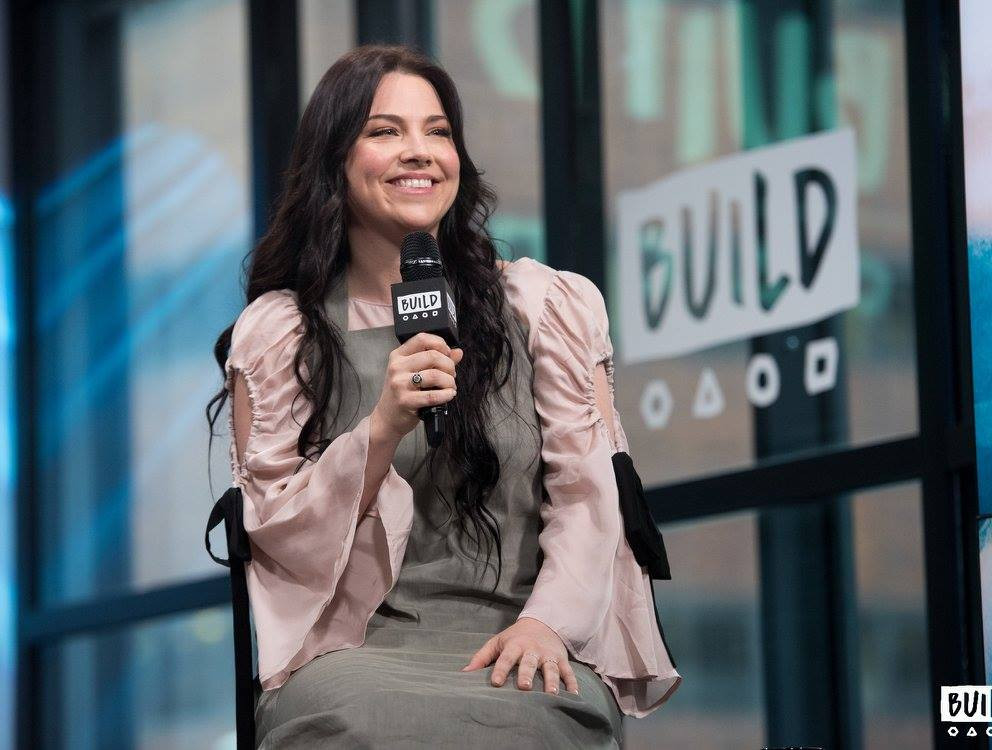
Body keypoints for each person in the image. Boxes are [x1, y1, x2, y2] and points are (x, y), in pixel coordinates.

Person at [205, 44, 680, 748]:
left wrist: (549, 624)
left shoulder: (545, 306)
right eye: (385, 131)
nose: (419, 152)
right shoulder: (280, 333)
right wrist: (380, 430)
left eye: (438, 131)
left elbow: (591, 495)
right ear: (335, 159)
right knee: (358, 721)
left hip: (526, 636)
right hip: (353, 654)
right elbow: (275, 532)